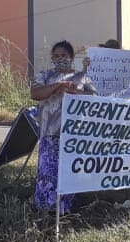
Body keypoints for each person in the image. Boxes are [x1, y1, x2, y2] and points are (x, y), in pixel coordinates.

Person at [31, 40, 97, 214]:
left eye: (64, 56)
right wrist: (58, 86)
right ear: (52, 58)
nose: (60, 59)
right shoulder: (44, 76)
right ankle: (45, 209)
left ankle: (66, 209)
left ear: (71, 57)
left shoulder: (81, 77)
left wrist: (76, 92)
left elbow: (94, 98)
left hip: (73, 135)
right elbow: (35, 94)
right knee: (48, 173)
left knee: (68, 173)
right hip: (49, 134)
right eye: (56, 56)